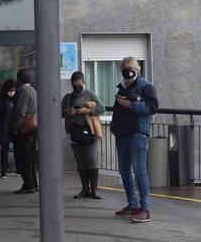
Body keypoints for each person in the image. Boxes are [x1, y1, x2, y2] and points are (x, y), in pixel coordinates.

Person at [110, 56, 159, 224]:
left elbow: (153, 107)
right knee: (124, 172)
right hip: (122, 135)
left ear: (137, 70)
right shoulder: (121, 87)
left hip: (138, 134)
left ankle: (145, 209)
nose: (127, 70)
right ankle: (133, 204)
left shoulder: (146, 86)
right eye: (124, 67)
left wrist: (131, 105)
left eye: (130, 67)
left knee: (139, 171)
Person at [61, 72, 103, 200]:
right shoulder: (68, 97)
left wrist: (88, 111)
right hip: (74, 132)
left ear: (84, 82)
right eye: (75, 85)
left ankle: (94, 189)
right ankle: (85, 189)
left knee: (91, 159)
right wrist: (69, 112)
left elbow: (102, 108)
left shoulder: (90, 94)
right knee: (80, 161)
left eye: (79, 84)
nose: (77, 87)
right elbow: (60, 112)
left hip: (89, 131)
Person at [12, 68, 38, 195]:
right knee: (30, 157)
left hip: (24, 128)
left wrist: (16, 129)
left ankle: (28, 184)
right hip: (32, 127)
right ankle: (34, 183)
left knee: (24, 157)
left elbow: (19, 112)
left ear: (19, 79)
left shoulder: (23, 91)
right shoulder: (32, 90)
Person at [0, 78, 18, 179]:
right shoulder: (1, 98)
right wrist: (6, 103)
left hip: (13, 127)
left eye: (13, 90)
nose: (12, 92)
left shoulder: (16, 97)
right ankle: (3, 171)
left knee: (17, 149)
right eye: (11, 90)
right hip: (4, 127)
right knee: (4, 150)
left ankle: (19, 170)